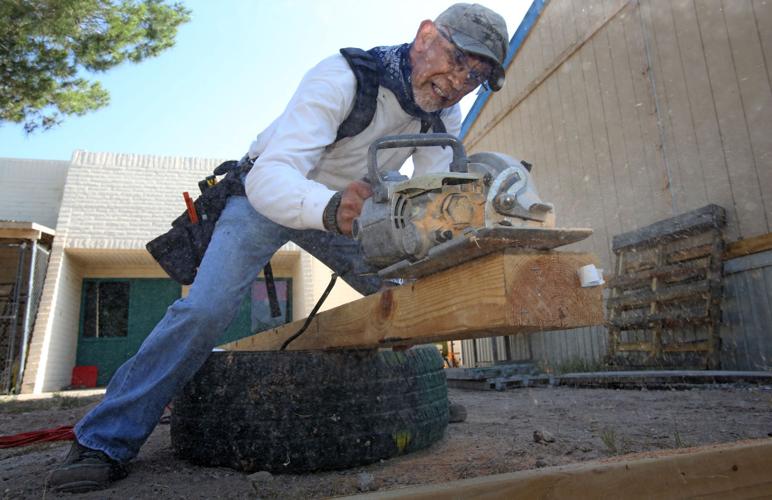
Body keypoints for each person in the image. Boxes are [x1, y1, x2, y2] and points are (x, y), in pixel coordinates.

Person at [46, 3, 509, 493]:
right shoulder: (343, 76)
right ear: (424, 37)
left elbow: (433, 194)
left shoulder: (443, 112)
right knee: (204, 311)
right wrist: (330, 209)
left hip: (347, 212)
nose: (460, 81)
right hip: (268, 196)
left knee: (405, 294)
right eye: (458, 60)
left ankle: (421, 398)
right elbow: (272, 174)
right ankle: (103, 440)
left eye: (475, 75)